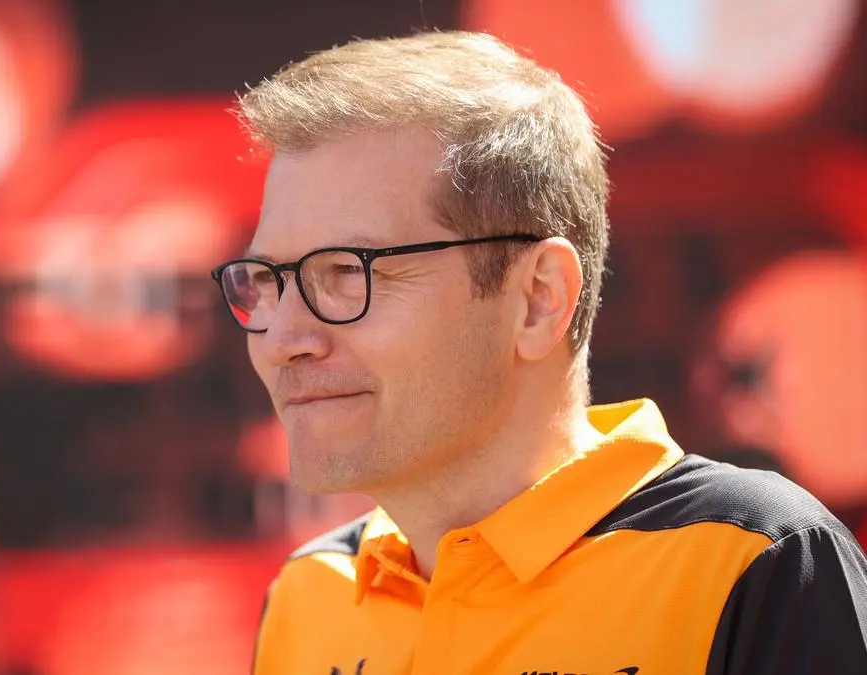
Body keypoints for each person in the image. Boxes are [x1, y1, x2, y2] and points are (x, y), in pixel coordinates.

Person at [209, 31, 867, 674]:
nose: (282, 338)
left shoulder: (757, 563)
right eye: (265, 281)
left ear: (538, 298)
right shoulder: (308, 594)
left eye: (347, 272)